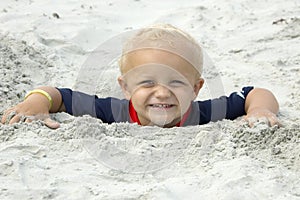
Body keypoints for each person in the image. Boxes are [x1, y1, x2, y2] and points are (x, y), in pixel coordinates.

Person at [1, 24, 280, 129]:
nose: (162, 92)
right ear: (125, 87)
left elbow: (254, 93)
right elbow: (60, 96)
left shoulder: (201, 114)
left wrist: (260, 109)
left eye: (176, 82)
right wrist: (36, 102)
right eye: (147, 82)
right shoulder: (116, 112)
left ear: (196, 88)